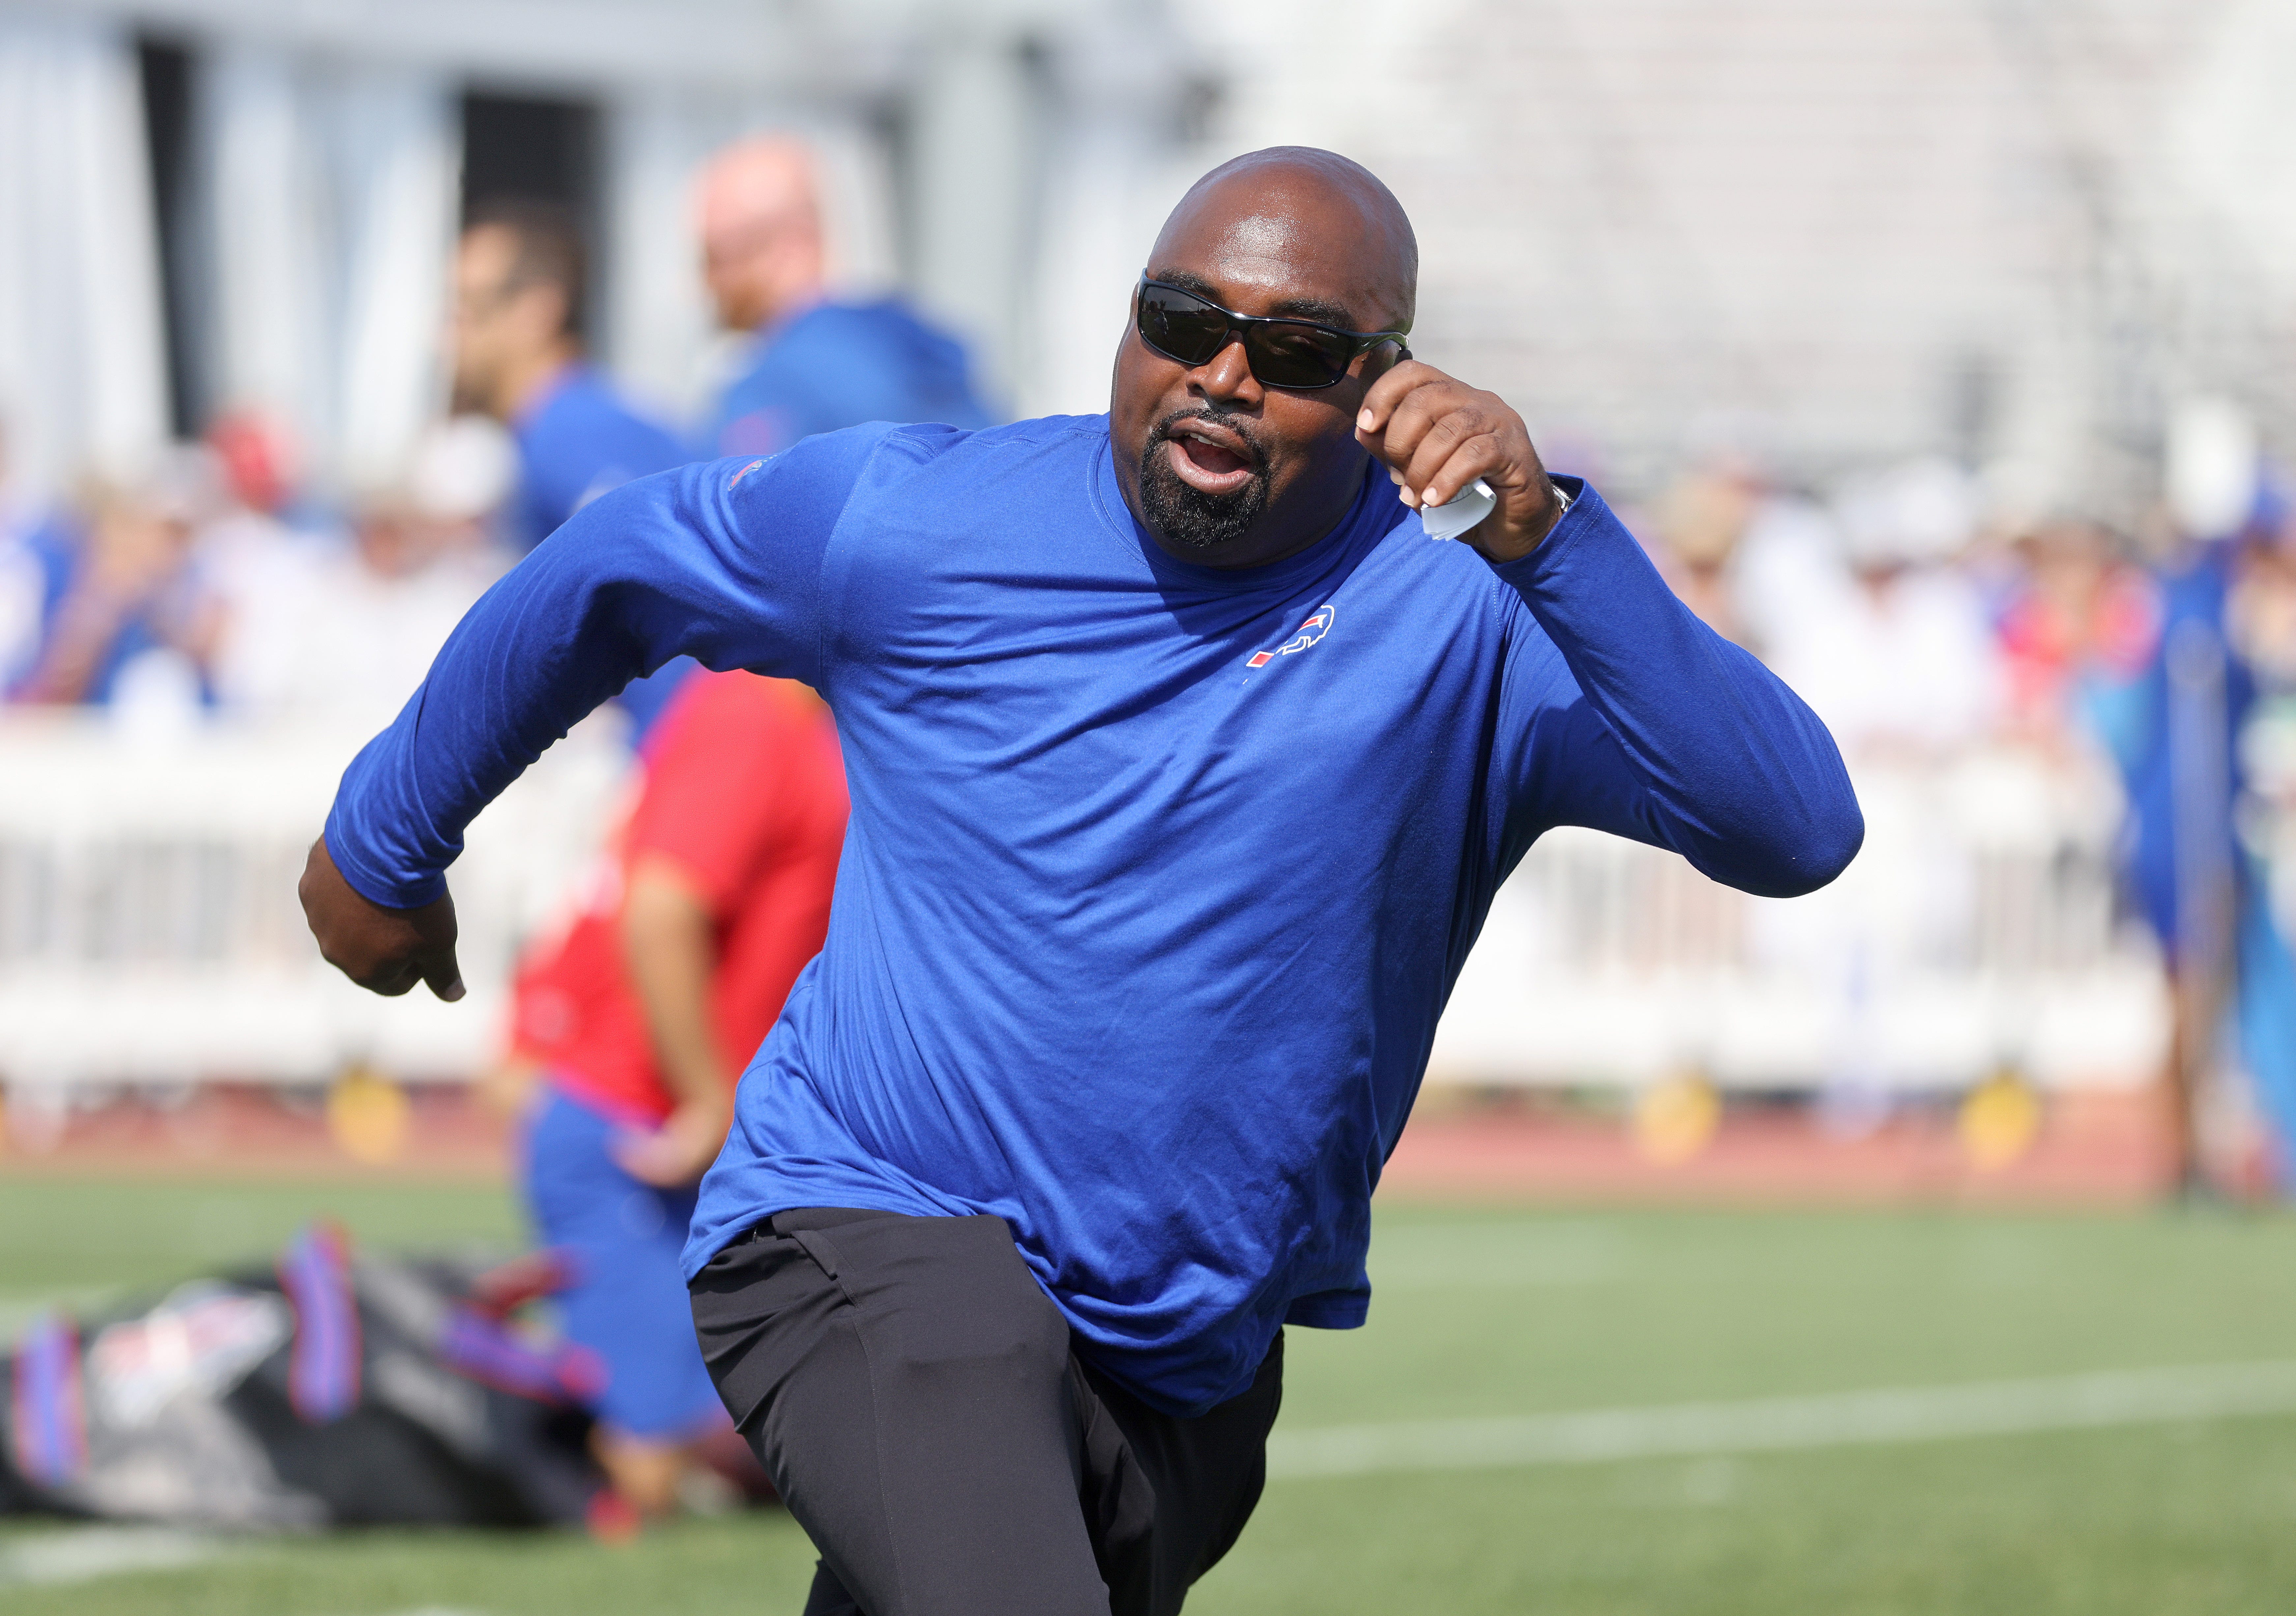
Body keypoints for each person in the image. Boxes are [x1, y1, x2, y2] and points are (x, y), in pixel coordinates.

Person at [302, 148, 1861, 1614]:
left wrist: (1548, 541)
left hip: (1177, 1367)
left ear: (1389, 386)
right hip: (866, 1227)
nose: (1223, 374)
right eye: (1180, 321)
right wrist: (387, 834)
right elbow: (616, 561)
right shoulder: (917, 521)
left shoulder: (1467, 618)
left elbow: (1791, 830)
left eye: (1298, 350)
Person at [500, 668, 846, 1518]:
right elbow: (661, 908)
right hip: (640, 1135)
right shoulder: (750, 715)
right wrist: (708, 1096)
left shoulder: (812, 713)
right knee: (644, 1466)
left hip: (710, 1137)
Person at [451, 201, 694, 735]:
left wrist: (670, 773)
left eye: (468, 309)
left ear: (538, 309)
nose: (449, 338)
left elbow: (667, 595)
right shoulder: (558, 428)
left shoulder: (568, 432)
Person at [695, 136, 990, 458]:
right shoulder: (925, 356)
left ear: (793, 242)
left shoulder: (776, 391)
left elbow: (724, 500)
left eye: (718, 256)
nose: (708, 280)